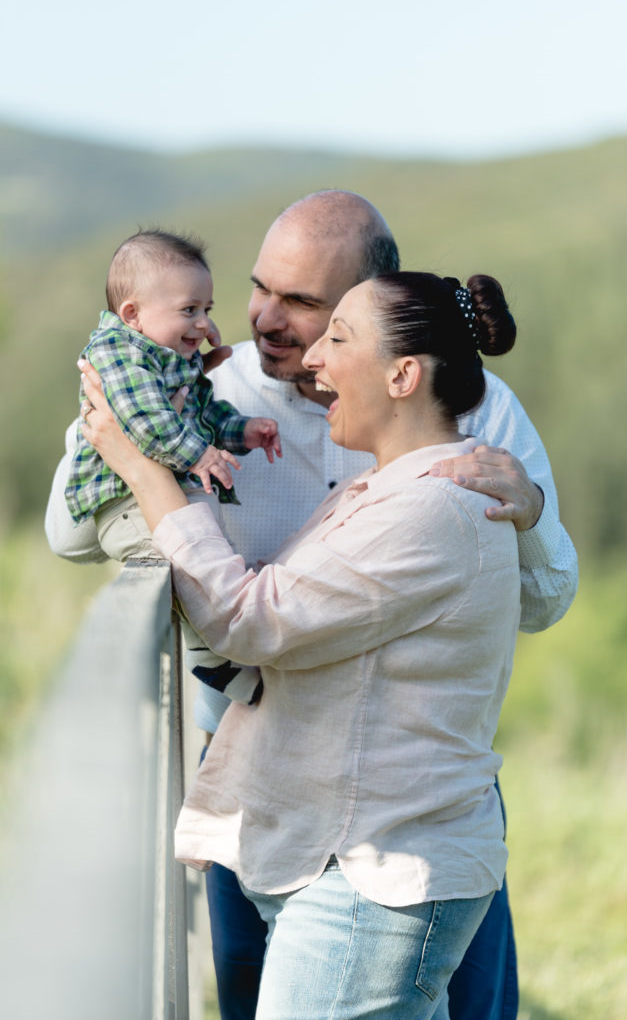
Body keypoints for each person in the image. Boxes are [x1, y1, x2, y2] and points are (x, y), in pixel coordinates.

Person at [45, 191, 578, 1020]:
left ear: (375, 310)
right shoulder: (195, 382)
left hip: (406, 810)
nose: (263, 318)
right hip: (260, 774)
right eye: (260, 288)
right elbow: (71, 537)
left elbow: (542, 601)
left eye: (307, 306)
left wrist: (533, 515)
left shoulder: (475, 417)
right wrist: (120, 419)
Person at [64, 228, 281, 677]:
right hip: (125, 503)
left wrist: (244, 431)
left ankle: (211, 654)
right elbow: (148, 423)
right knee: (185, 565)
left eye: (207, 309)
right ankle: (209, 658)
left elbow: (205, 414)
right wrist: (201, 457)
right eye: (189, 310)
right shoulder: (118, 353)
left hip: (157, 497)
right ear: (133, 314)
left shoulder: (170, 362)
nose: (203, 324)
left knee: (202, 559)